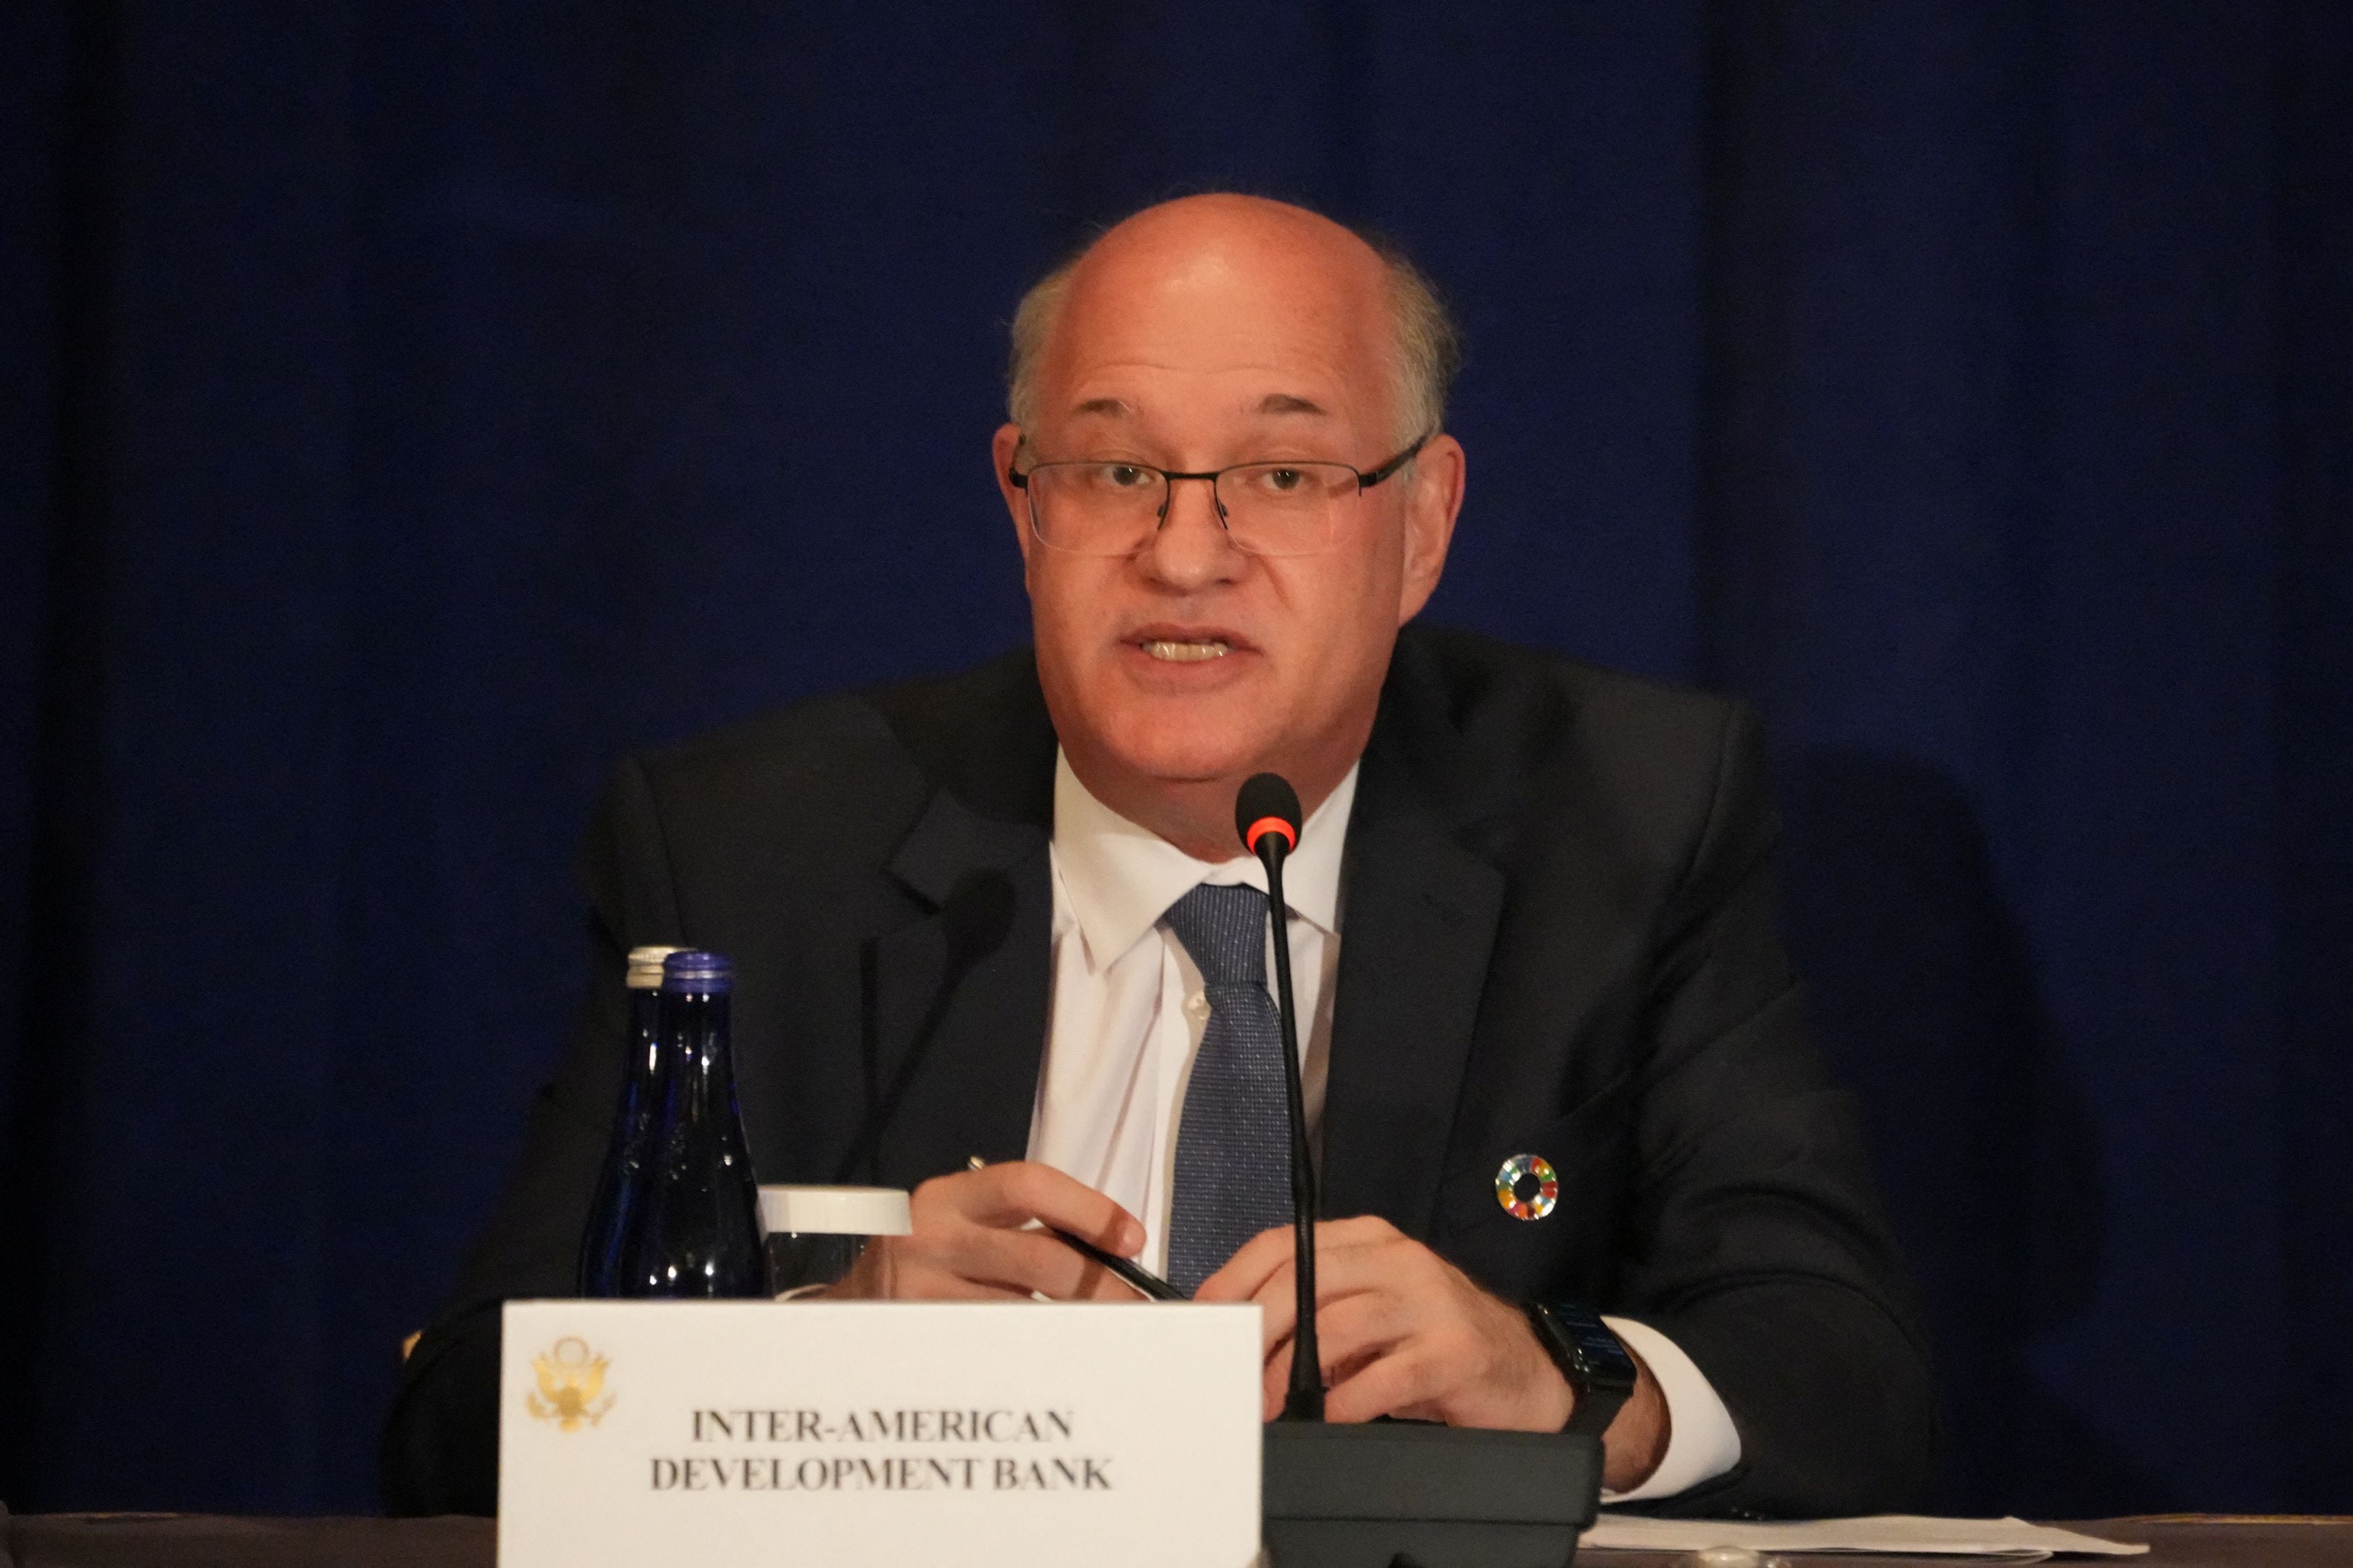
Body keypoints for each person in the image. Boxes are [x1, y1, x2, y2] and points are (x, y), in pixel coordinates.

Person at [382, 194, 1935, 1518]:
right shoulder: (752, 847)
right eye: (1116, 472)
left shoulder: (1626, 815)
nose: (1184, 554)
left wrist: (1560, 1382)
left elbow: (1836, 1367)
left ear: (1422, 523)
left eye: (1283, 474)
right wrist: (811, 1347)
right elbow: (462, 1424)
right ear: (1022, 502)